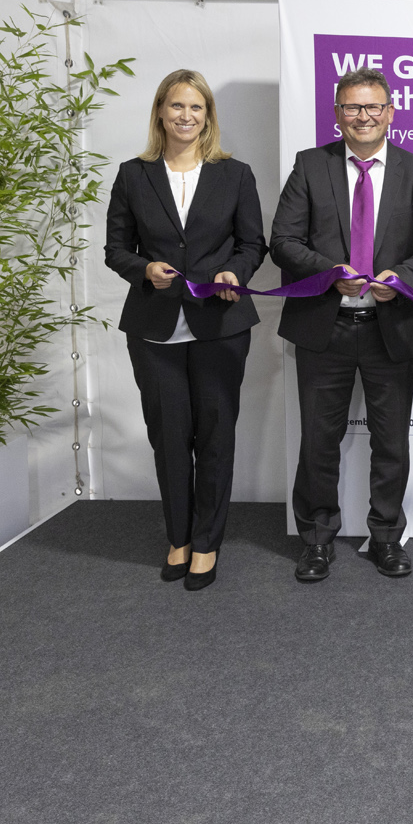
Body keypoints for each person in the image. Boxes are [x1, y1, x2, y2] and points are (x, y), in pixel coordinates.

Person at [271, 68, 413, 583]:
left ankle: (387, 538)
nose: (363, 116)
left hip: (390, 326)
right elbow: (282, 240)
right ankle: (316, 540)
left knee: (391, 444)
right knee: (318, 441)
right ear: (337, 114)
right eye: (352, 107)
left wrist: (404, 278)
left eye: (373, 107)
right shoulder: (310, 166)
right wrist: (329, 273)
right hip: (323, 327)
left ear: (390, 112)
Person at [105, 70, 267, 592]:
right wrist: (144, 269)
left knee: (215, 437)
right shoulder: (133, 174)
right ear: (160, 111)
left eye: (197, 107)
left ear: (208, 116)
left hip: (220, 324)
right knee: (170, 438)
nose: (186, 116)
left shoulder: (235, 174)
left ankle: (206, 542)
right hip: (154, 328)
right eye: (177, 105)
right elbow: (116, 249)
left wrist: (234, 273)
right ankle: (177, 537)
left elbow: (252, 243)